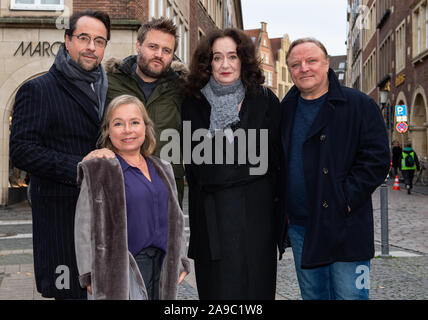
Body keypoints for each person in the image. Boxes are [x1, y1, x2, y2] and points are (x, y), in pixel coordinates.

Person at [9, 10, 111, 300]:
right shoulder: (38, 89)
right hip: (61, 222)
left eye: (100, 41)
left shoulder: (107, 90)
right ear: (67, 41)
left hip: (101, 221)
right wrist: (79, 167)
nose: (92, 46)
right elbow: (22, 151)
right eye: (84, 38)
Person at [278, 38, 390, 300]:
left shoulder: (359, 105)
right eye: (295, 64)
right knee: (314, 296)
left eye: (311, 61)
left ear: (327, 64)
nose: (303, 68)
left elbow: (376, 159)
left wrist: (345, 200)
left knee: (351, 296)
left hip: (346, 225)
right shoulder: (284, 110)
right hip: (301, 227)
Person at [181, 28, 281, 299]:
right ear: (207, 63)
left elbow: (278, 162)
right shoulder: (193, 103)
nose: (225, 64)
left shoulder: (264, 100)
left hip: (256, 218)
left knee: (256, 291)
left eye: (232, 56)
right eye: (217, 57)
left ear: (243, 60)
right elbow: (193, 164)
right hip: (212, 219)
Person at [74, 95, 189, 300]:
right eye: (118, 123)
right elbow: (83, 226)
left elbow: (177, 218)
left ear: (145, 127)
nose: (127, 130)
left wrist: (181, 258)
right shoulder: (99, 170)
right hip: (123, 271)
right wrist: (89, 274)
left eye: (134, 122)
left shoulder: (163, 168)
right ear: (108, 131)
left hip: (163, 266)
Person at [105, 17, 185, 207]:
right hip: (119, 186)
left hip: (166, 188)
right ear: (138, 45)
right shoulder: (109, 83)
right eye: (153, 47)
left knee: (167, 237)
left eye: (167, 51)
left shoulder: (181, 88)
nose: (159, 54)